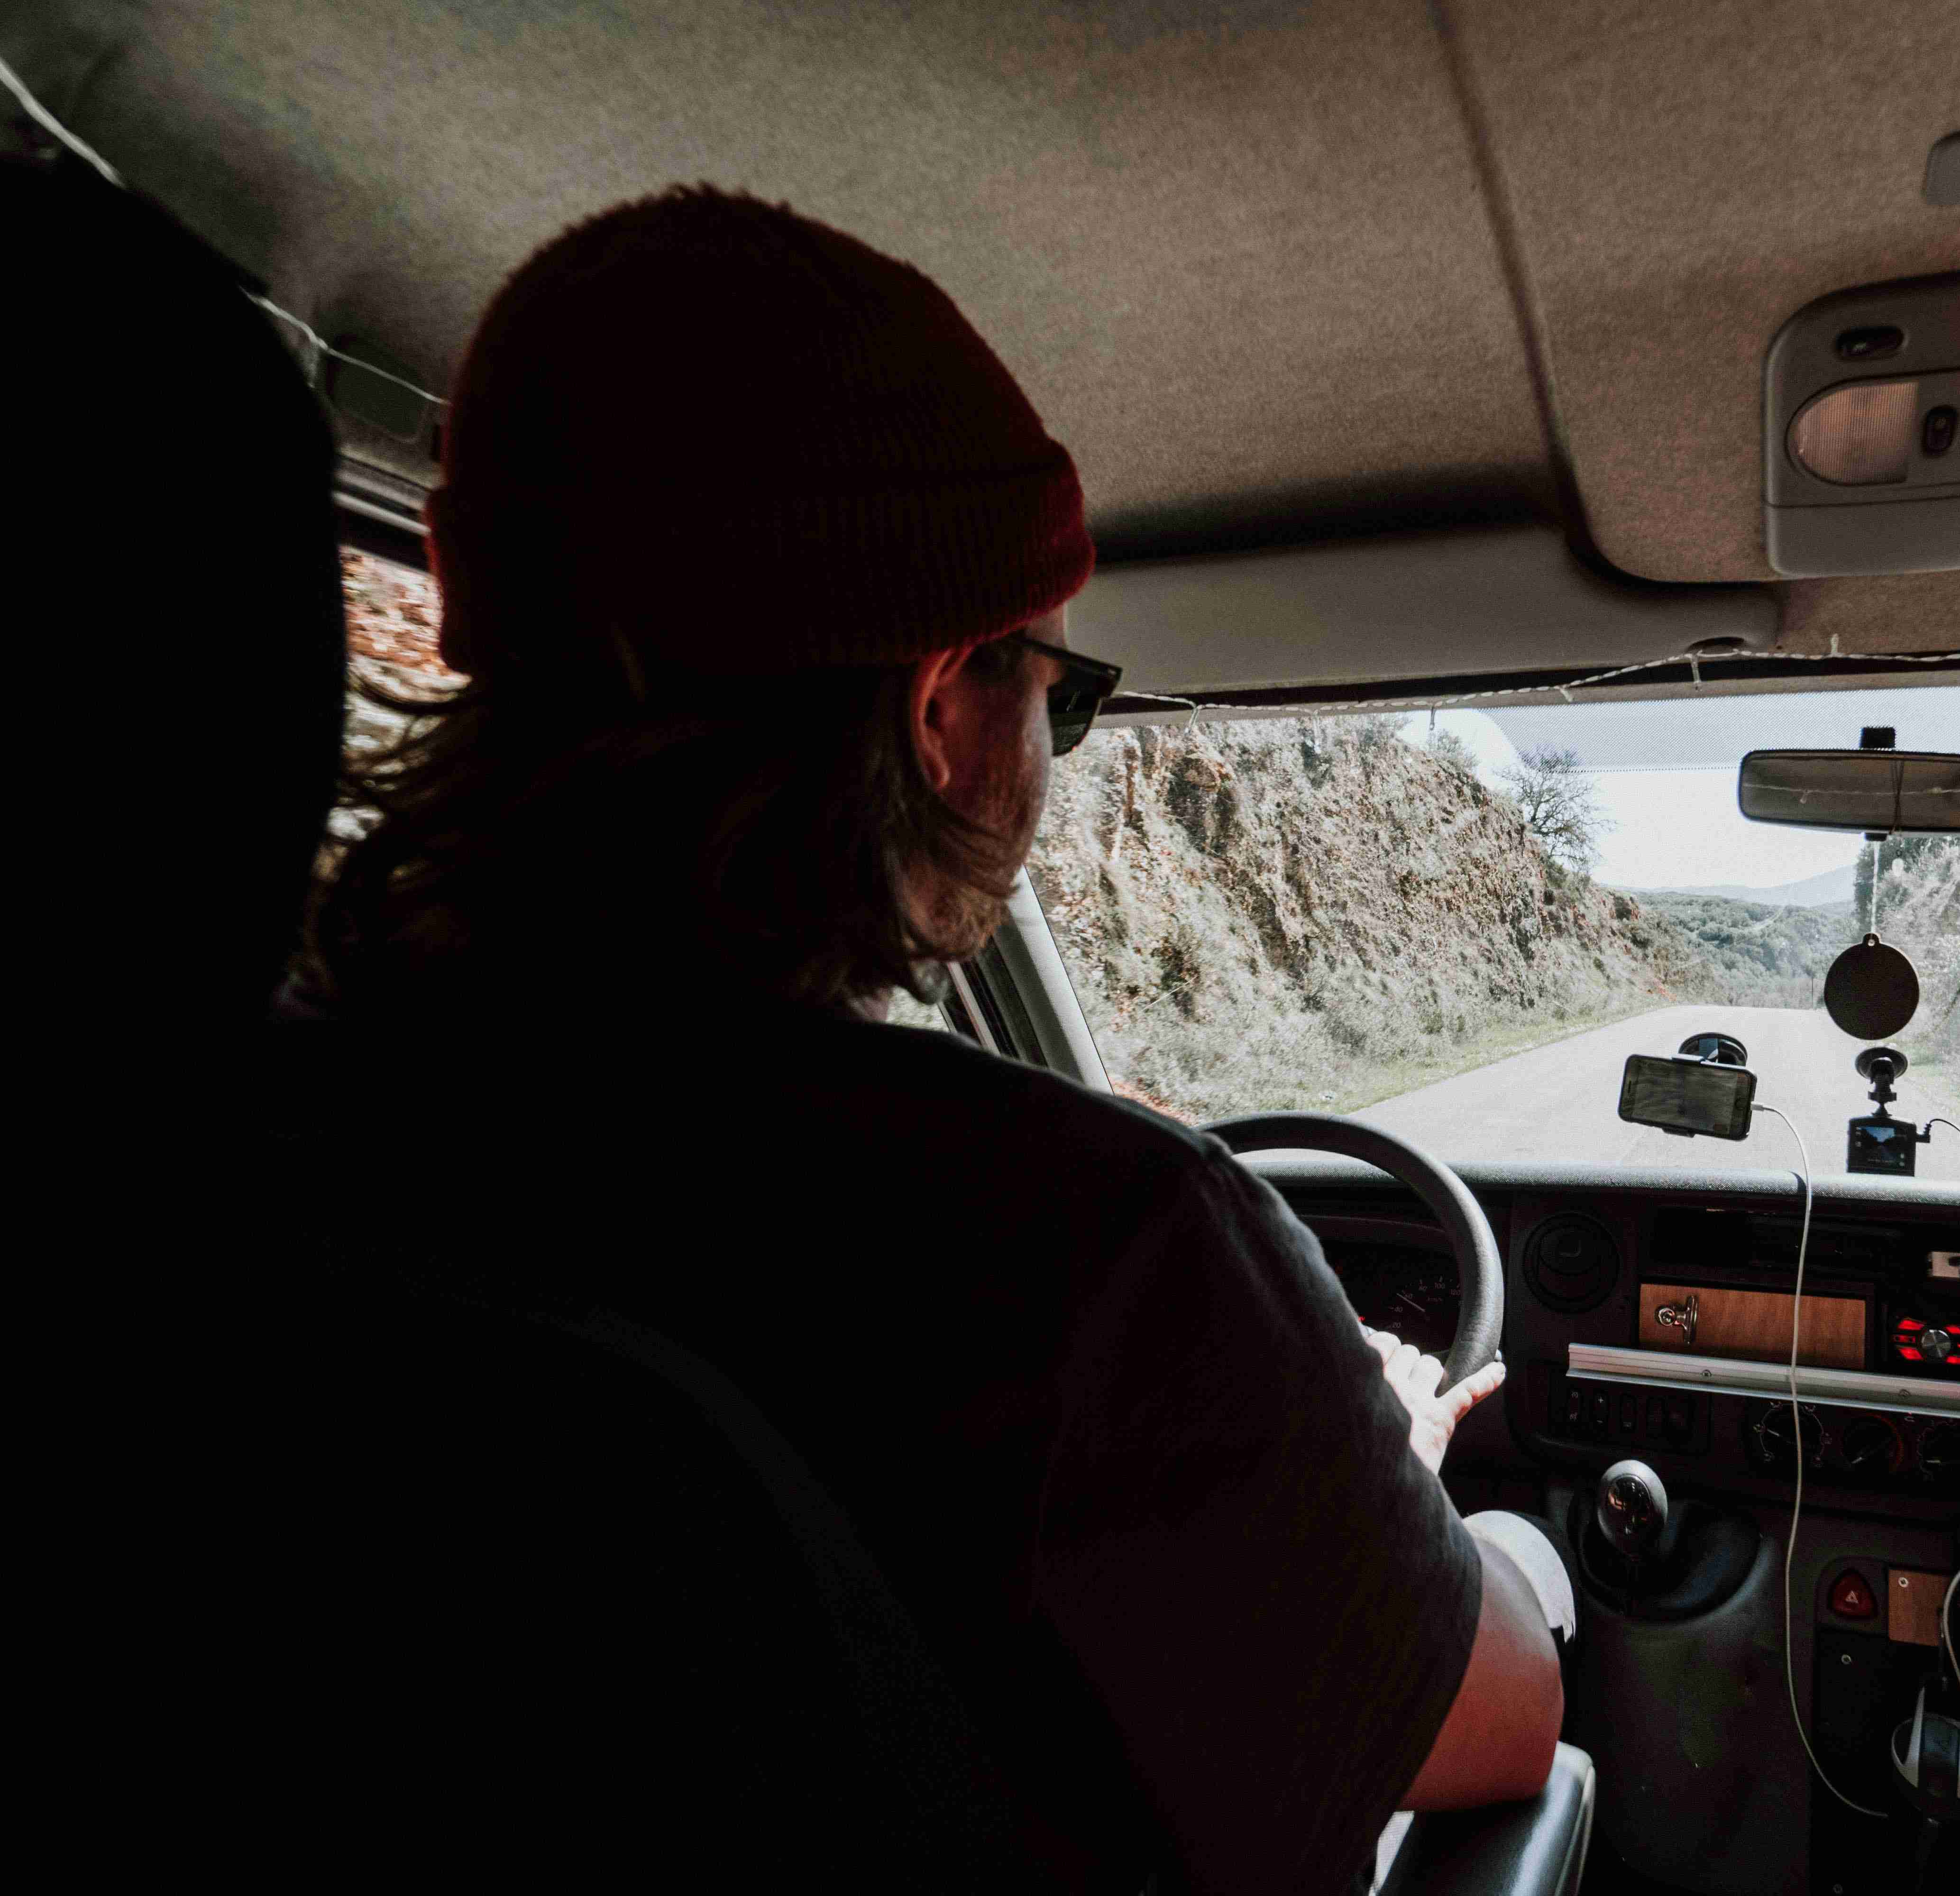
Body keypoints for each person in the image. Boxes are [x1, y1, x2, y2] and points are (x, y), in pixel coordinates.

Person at [295, 189, 1561, 1892]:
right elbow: (1498, 1726)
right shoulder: (1097, 1251)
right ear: (947, 703)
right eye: (1057, 691)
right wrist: (1385, 1466)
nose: (1048, 741)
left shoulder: (270, 1123)